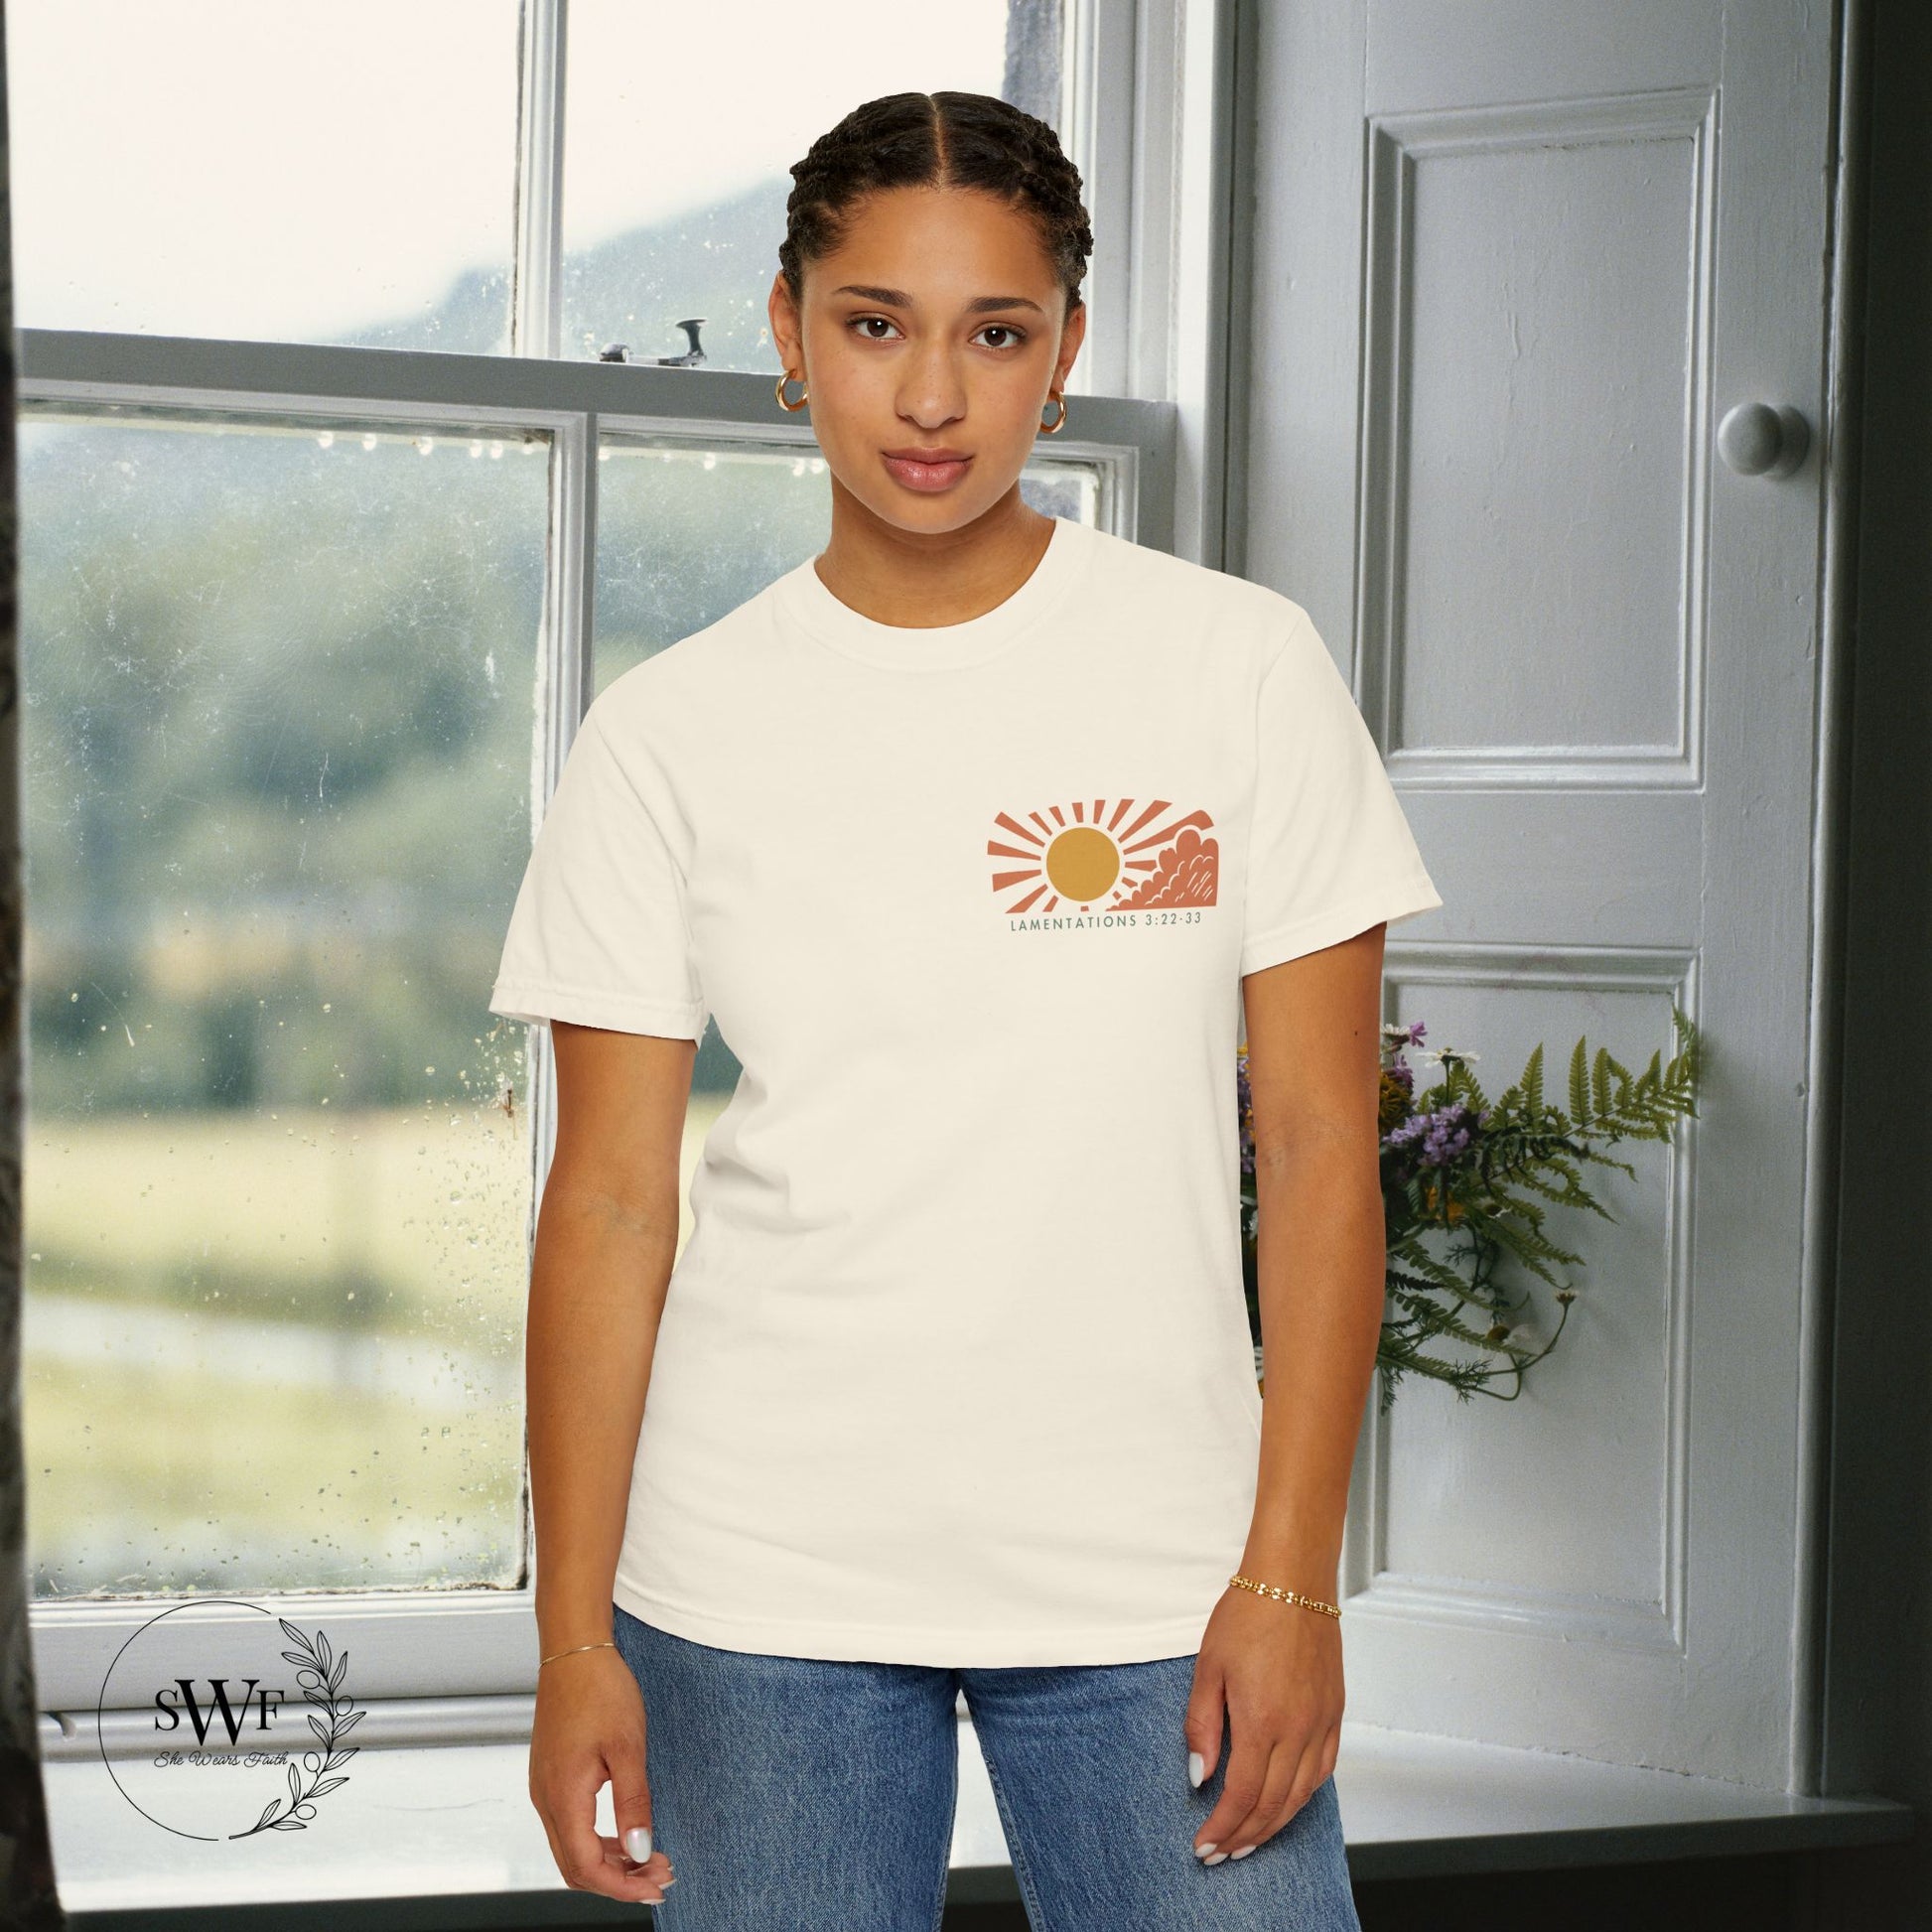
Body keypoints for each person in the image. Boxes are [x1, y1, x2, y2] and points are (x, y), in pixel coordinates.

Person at [489, 88, 1441, 1931]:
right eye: (874, 325)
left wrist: (1290, 1575)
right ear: (787, 330)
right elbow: (605, 1204)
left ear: (1065, 350)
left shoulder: (1236, 666)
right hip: (756, 1578)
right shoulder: (668, 733)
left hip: (1160, 1571)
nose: (931, 397)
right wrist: (574, 1637)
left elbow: (1323, 1145)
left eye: (994, 334)